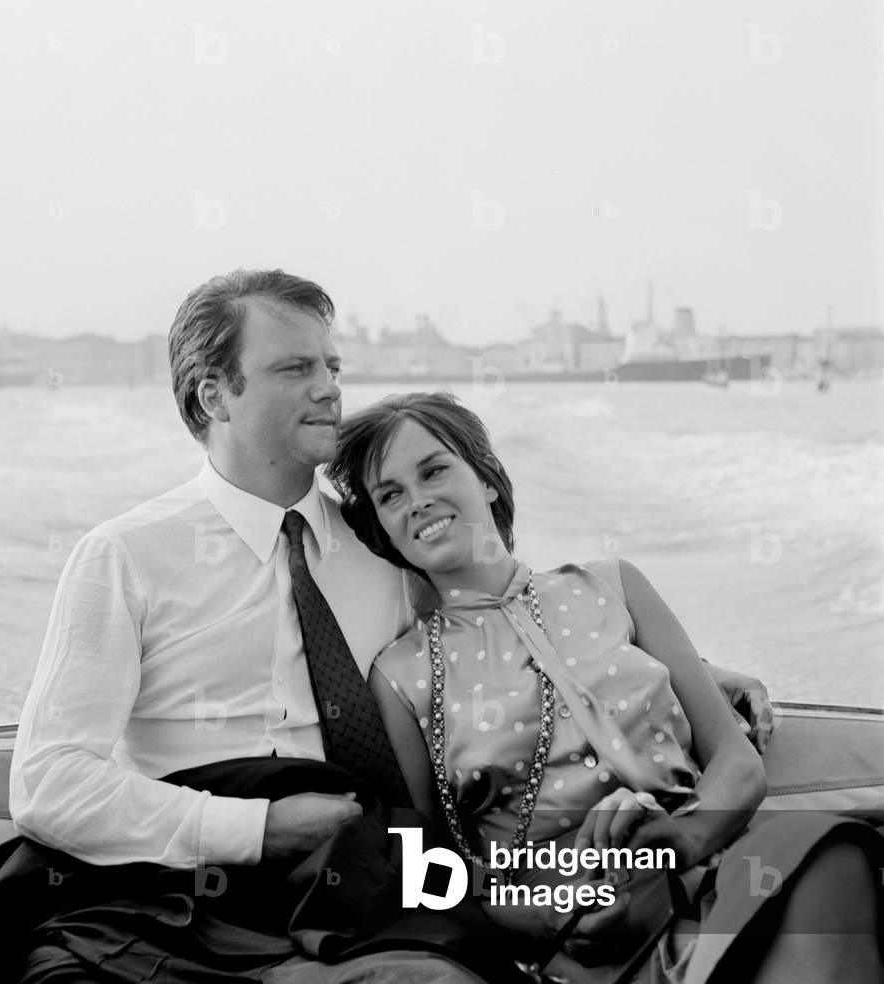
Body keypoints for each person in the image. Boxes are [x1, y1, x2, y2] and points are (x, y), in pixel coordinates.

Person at [6, 271, 773, 984]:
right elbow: (48, 785)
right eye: (295, 369)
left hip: (363, 892)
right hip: (181, 897)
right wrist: (255, 829)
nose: (329, 390)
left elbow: (516, 622)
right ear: (214, 396)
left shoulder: (382, 546)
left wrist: (691, 671)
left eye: (332, 368)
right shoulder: (125, 556)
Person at [327, 391, 883, 984]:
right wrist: (542, 916)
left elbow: (738, 762)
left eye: (434, 469)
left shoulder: (613, 586)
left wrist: (675, 842)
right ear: (384, 530)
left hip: (706, 860)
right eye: (391, 495)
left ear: (487, 478)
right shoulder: (401, 675)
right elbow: (425, 866)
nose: (419, 500)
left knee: (832, 858)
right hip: (571, 926)